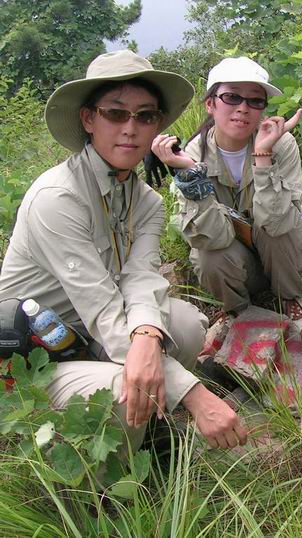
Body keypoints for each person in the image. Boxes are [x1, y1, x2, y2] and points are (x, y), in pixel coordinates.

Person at [0, 50, 247, 452]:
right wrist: (195, 394)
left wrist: (147, 335)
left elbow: (141, 277)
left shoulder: (145, 201)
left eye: (145, 116)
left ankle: (146, 431)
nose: (130, 129)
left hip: (91, 333)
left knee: (185, 325)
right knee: (127, 387)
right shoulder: (58, 197)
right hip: (33, 356)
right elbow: (99, 304)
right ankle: (108, 481)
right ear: (88, 119)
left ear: (157, 125)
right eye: (115, 114)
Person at [151, 56, 302, 321]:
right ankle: (240, 311)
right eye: (232, 97)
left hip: (291, 255)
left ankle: (291, 297)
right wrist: (191, 175)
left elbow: (278, 223)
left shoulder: (282, 144)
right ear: (210, 104)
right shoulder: (194, 154)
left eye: (255, 101)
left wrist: (263, 155)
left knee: (276, 225)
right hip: (243, 262)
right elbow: (209, 238)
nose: (243, 108)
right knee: (207, 256)